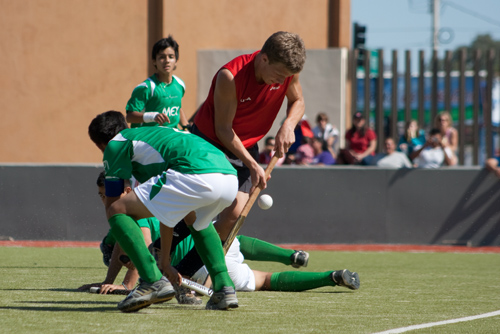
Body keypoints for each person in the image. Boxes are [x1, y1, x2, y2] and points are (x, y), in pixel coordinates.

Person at [88, 110, 239, 312]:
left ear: (101, 144)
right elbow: (169, 213)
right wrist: (165, 262)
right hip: (228, 177)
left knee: (117, 210)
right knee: (195, 221)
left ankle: (151, 281)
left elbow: (113, 204)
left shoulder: (116, 144)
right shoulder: (155, 136)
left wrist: (121, 243)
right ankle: (224, 287)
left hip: (196, 173)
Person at [191, 31, 306, 243]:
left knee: (234, 214)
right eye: (279, 75)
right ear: (264, 59)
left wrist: (288, 125)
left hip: (246, 145)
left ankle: (194, 268)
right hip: (209, 143)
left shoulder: (287, 73)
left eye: (286, 77)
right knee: (198, 208)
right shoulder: (231, 76)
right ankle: (160, 255)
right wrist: (253, 165)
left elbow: (298, 100)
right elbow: (223, 129)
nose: (282, 81)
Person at [171, 235, 360, 292]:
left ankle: (331, 278)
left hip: (199, 273)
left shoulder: (145, 220)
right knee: (232, 238)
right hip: (213, 245)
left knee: (265, 280)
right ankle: (291, 255)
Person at [125, 36, 189, 130]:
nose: (167, 61)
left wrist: (186, 126)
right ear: (154, 61)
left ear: (176, 61)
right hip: (148, 138)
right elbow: (129, 117)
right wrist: (152, 117)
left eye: (171, 57)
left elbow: (177, 107)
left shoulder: (180, 84)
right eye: (162, 57)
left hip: (172, 135)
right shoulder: (146, 87)